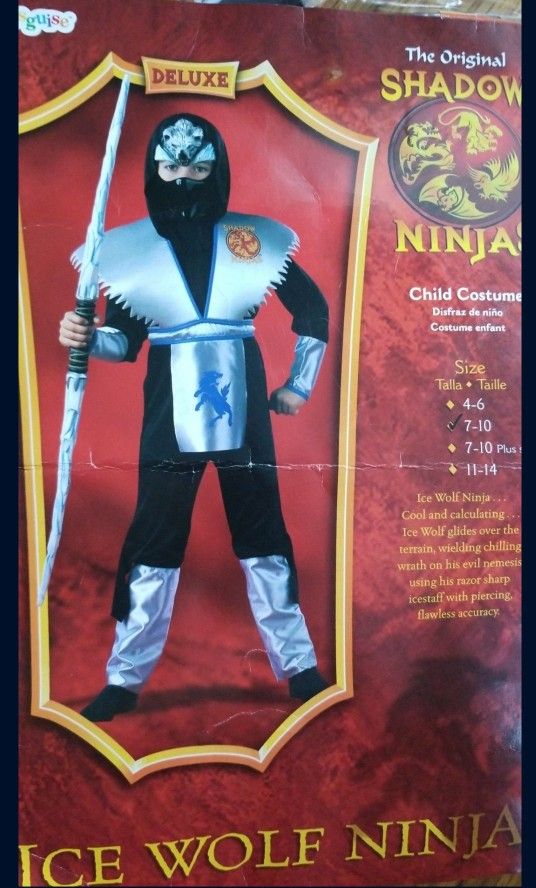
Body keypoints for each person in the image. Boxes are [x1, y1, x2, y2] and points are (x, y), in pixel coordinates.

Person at [59, 113, 330, 722]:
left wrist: (298, 385)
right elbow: (123, 343)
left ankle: (299, 666)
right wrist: (85, 336)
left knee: (264, 534)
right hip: (167, 411)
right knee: (154, 540)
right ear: (155, 170)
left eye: (198, 167)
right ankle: (124, 678)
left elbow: (312, 310)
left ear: (217, 169)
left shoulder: (251, 241)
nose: (183, 178)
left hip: (245, 405)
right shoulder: (128, 253)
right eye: (172, 166)